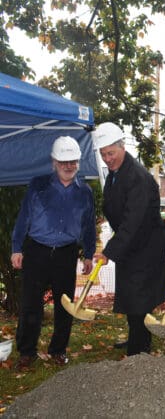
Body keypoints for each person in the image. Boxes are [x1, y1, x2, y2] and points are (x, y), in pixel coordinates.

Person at [11, 136, 96, 369]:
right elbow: (23, 218)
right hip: (36, 250)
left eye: (73, 161)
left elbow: (88, 225)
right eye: (63, 161)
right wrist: (17, 248)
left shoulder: (85, 192)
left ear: (79, 162)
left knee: (64, 304)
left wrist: (89, 253)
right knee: (30, 304)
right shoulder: (38, 185)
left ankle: (58, 350)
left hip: (66, 254)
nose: (68, 166)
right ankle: (27, 352)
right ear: (54, 162)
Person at [92, 122, 165, 356]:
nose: (107, 158)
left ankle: (140, 349)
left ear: (122, 147)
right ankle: (135, 338)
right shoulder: (116, 174)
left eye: (111, 153)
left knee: (139, 300)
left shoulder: (137, 177)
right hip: (130, 247)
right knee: (130, 296)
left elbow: (132, 222)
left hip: (145, 247)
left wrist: (108, 251)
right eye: (104, 154)